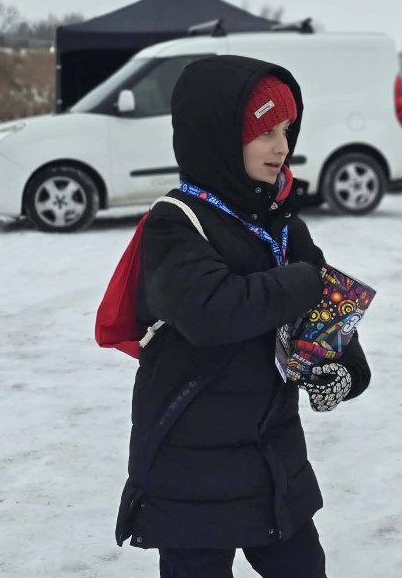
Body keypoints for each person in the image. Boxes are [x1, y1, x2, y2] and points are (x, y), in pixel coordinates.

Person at [114, 56, 371, 577]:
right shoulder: (175, 224)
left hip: (273, 458)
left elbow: (329, 326)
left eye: (286, 131)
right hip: (192, 462)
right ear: (218, 136)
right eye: (264, 133)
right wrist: (304, 279)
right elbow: (214, 311)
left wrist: (342, 374)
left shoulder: (282, 224)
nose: (282, 147)